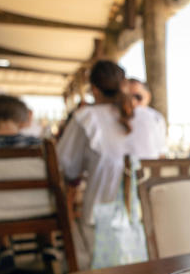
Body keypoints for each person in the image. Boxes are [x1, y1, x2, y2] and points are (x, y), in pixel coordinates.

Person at [58, 61, 167, 255]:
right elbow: (160, 160)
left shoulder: (86, 118)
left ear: (94, 90)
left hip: (101, 219)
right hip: (148, 217)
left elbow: (68, 167)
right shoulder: (153, 118)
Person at [0, 94, 54, 269]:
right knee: (42, 193)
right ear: (22, 118)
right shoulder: (39, 145)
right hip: (39, 208)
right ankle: (48, 243)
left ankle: (4, 247)